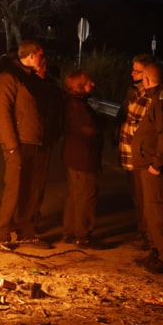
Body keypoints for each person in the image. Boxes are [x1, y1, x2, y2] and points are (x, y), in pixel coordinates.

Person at [0, 40, 56, 248]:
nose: (43, 59)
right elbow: (1, 112)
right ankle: (3, 233)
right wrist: (11, 145)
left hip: (36, 141)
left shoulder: (32, 78)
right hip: (18, 142)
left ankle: (26, 231)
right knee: (15, 187)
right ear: (31, 56)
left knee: (33, 188)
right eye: (41, 55)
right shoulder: (9, 77)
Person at [129, 63, 163, 274]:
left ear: (147, 80)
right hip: (148, 165)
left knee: (161, 212)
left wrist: (157, 164)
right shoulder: (156, 98)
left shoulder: (162, 100)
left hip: (157, 168)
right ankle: (158, 252)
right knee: (152, 212)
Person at [117, 53, 156, 247]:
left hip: (141, 157)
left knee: (146, 200)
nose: (132, 74)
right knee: (138, 199)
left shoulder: (151, 98)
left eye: (137, 71)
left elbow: (145, 129)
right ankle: (142, 231)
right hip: (130, 155)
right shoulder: (135, 93)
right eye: (132, 70)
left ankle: (149, 236)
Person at [61, 69, 101, 247]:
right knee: (86, 195)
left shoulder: (73, 103)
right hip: (83, 156)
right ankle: (82, 234)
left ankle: (70, 232)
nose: (92, 84)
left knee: (75, 195)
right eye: (88, 82)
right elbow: (88, 129)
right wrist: (101, 125)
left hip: (74, 156)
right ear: (79, 87)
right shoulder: (77, 106)